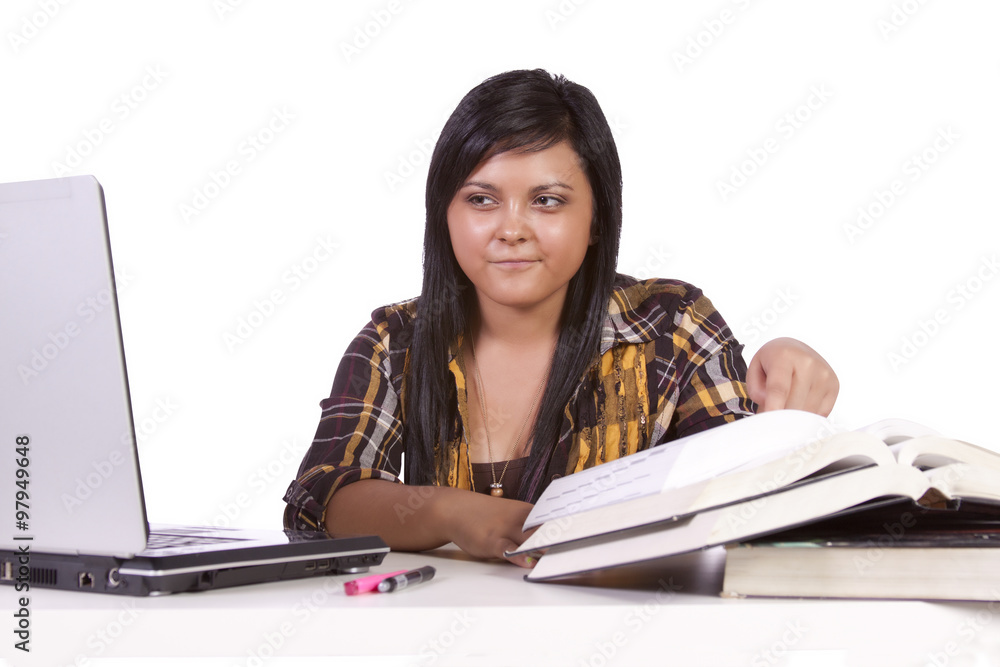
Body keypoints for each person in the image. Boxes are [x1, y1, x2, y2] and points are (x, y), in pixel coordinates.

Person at [283, 69, 839, 567]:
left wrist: (782, 391)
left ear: (597, 217)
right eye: (481, 200)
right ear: (443, 213)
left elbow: (748, 500)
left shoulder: (672, 327)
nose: (511, 229)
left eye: (547, 200)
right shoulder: (394, 342)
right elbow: (323, 498)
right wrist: (453, 512)